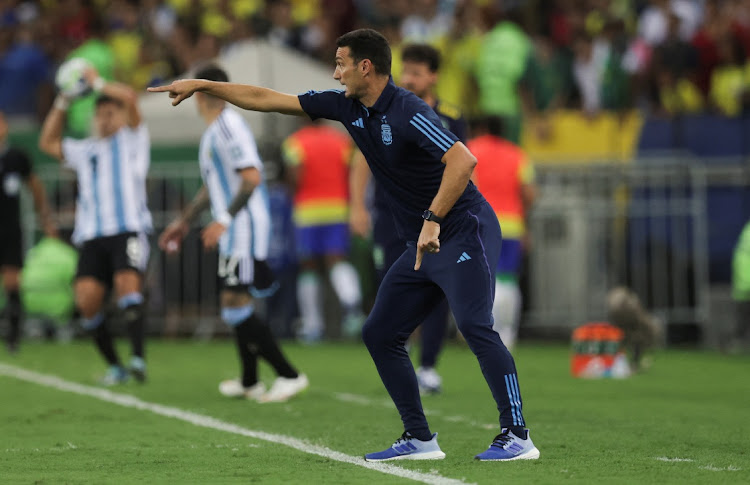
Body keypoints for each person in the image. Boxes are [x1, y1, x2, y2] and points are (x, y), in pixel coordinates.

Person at [149, 28, 540, 462]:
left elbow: (463, 160)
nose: (336, 74)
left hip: (464, 229)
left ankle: (517, 434)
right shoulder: (348, 108)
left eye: (340, 64)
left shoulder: (408, 110)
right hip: (421, 240)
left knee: (475, 327)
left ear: (365, 67)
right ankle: (420, 438)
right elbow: (265, 97)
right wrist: (204, 84)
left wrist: (432, 220)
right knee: (379, 333)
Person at [158, 65, 308, 403]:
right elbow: (212, 187)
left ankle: (289, 374)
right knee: (234, 303)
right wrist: (183, 221)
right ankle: (250, 381)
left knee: (234, 303)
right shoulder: (214, 132)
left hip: (244, 226)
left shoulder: (228, 126)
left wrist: (224, 218)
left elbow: (252, 177)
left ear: (202, 92)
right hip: (233, 225)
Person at [349, 43, 466, 395]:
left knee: (438, 288)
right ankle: (401, 358)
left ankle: (428, 366)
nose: (410, 78)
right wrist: (357, 206)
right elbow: (360, 162)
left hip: (437, 215)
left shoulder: (451, 116)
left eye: (417, 72)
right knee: (394, 288)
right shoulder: (385, 108)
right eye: (407, 71)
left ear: (433, 76)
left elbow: (464, 165)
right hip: (390, 216)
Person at [39, 69, 151, 385]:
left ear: (120, 115)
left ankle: (139, 359)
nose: (104, 119)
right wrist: (63, 101)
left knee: (128, 290)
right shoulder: (84, 150)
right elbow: (47, 142)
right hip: (92, 235)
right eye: (99, 114)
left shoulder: (134, 140)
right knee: (86, 302)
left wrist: (96, 82)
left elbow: (130, 96)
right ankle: (116, 366)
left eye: (110, 113)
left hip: (127, 229)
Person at [281, 119, 364, 342]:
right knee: (336, 259)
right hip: (337, 207)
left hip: (307, 210)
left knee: (308, 266)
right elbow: (353, 172)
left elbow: (295, 175)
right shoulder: (341, 140)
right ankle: (352, 306)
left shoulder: (296, 142)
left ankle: (312, 326)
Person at [467, 116, 536, 351]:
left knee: (482, 279)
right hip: (512, 225)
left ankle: (484, 332)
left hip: (480, 224)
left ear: (482, 127)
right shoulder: (517, 155)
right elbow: (529, 194)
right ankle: (507, 334)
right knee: (508, 279)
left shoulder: (471, 150)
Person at [1, 111, 57, 353]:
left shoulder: (16, 157)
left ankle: (13, 338)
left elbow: (34, 185)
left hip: (9, 230)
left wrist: (44, 217)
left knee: (12, 283)